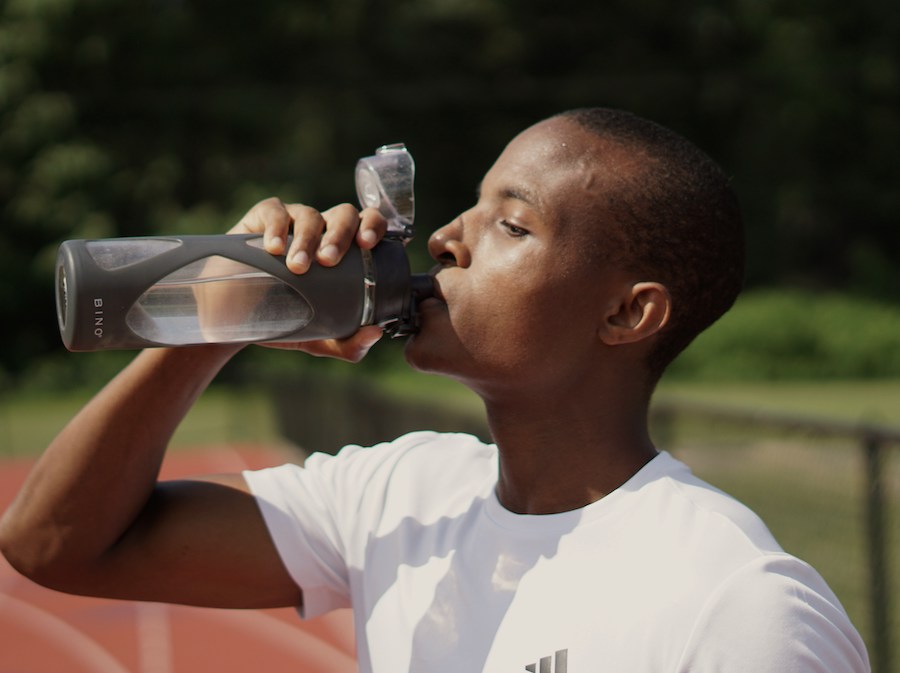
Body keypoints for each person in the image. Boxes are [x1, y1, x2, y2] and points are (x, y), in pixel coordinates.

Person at [0, 108, 869, 672]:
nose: (448, 239)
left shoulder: (739, 604)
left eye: (511, 224)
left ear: (627, 313)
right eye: (468, 208)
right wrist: (227, 307)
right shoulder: (402, 494)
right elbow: (55, 542)